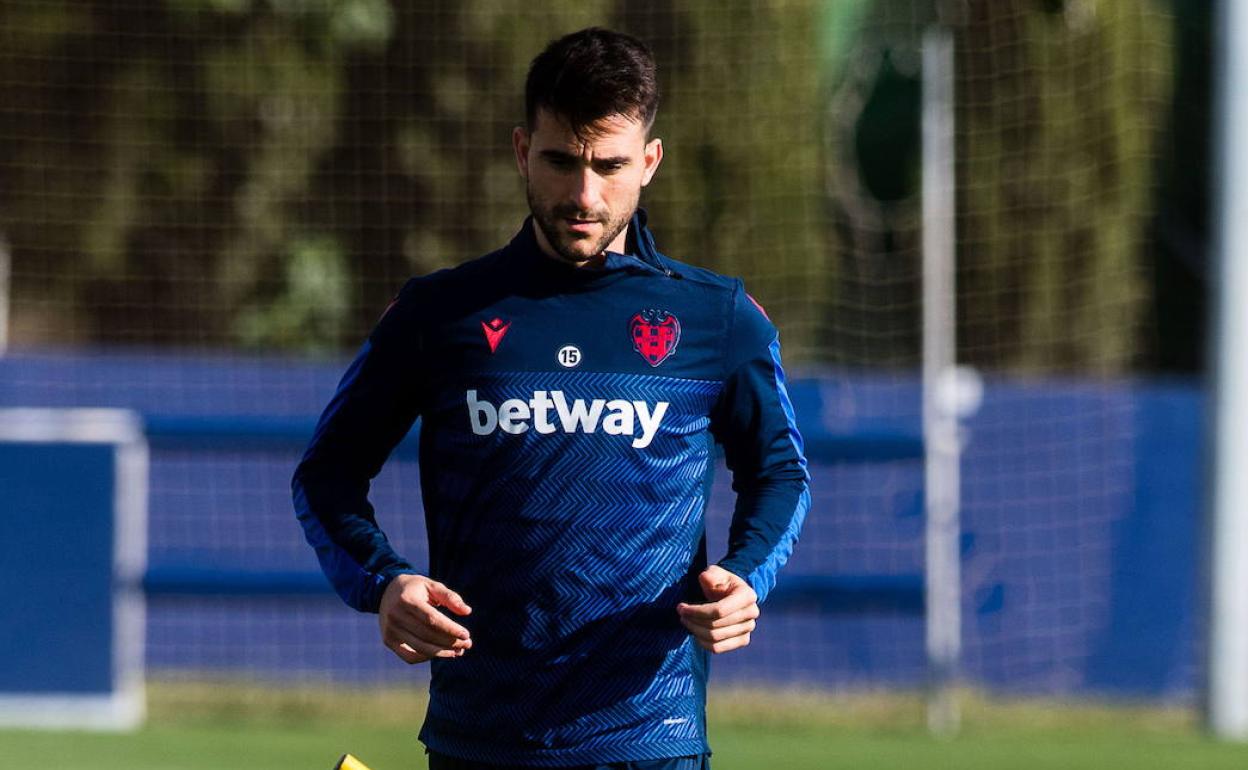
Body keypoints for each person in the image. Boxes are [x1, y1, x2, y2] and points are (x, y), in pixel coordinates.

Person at [293, 27, 809, 770]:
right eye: (561, 161)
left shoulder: (716, 317)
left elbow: (781, 471)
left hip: (648, 738)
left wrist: (747, 576)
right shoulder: (439, 314)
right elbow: (327, 475)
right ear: (520, 151)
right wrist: (383, 583)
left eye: (610, 165)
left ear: (650, 162)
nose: (584, 194)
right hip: (481, 739)